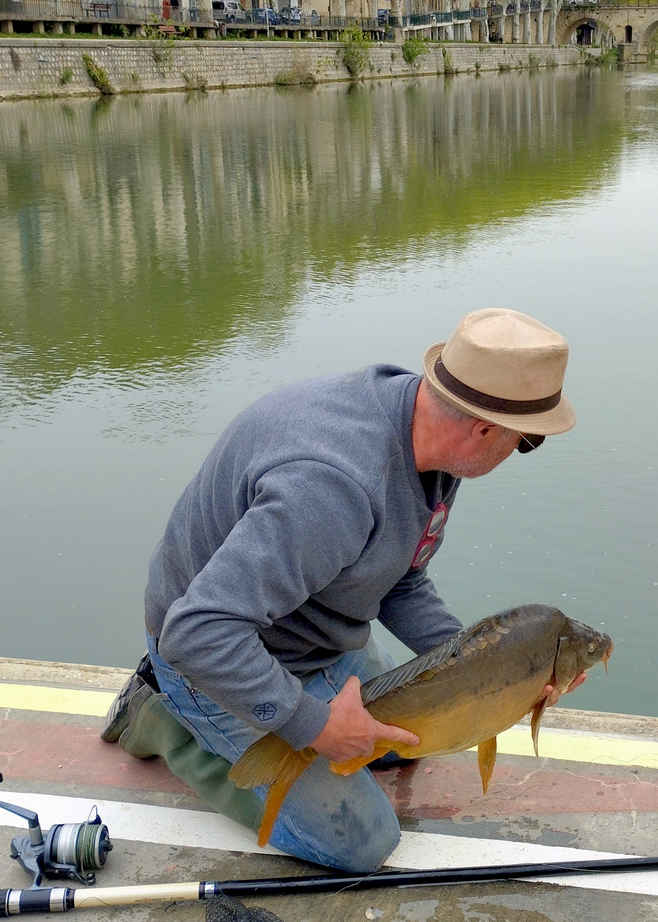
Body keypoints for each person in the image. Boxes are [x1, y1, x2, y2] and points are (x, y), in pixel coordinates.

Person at [102, 309, 577, 872]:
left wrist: (484, 665)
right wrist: (314, 723)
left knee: (409, 742)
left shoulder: (425, 433)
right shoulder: (332, 486)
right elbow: (197, 630)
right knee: (363, 844)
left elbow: (401, 578)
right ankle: (165, 720)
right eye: (526, 442)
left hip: (315, 629)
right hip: (213, 655)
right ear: (483, 429)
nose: (517, 454)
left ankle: (308, 705)